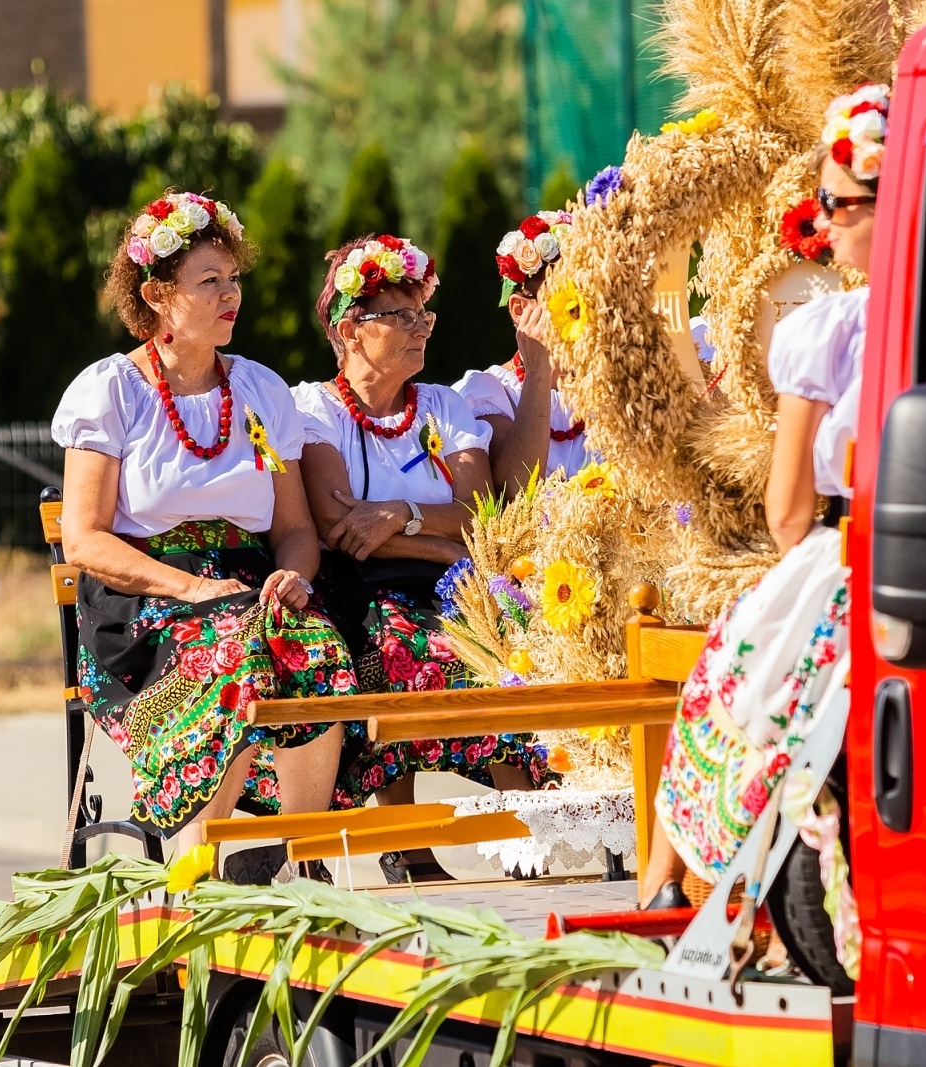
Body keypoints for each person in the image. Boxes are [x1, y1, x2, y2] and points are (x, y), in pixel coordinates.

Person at [640, 84, 887, 909]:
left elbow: (787, 510)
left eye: (838, 202)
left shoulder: (833, 328)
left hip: (856, 556)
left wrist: (805, 585)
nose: (826, 218)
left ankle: (664, 880)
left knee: (726, 684)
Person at [52, 190, 356, 860]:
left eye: (234, 278)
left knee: (323, 652)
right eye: (209, 281)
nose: (230, 295)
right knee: (236, 655)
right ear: (158, 294)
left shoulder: (260, 391)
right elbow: (85, 540)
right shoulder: (112, 391)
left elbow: (296, 529)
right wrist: (190, 591)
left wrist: (294, 575)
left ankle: (293, 860)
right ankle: (201, 871)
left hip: (247, 593)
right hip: (146, 607)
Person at [293, 234, 556, 882]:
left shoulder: (444, 405)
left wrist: (398, 517)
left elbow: (483, 510)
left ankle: (527, 834)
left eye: (425, 316)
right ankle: (407, 845)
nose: (421, 330)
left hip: (450, 582)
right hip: (364, 591)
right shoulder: (313, 407)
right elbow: (335, 522)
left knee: (513, 643)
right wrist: (441, 537)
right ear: (351, 330)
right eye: (403, 317)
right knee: (402, 643)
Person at [453, 211, 598, 496]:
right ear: (520, 310)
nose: (587, 314)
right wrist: (538, 372)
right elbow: (518, 487)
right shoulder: (487, 393)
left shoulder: (614, 385)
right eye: (568, 301)